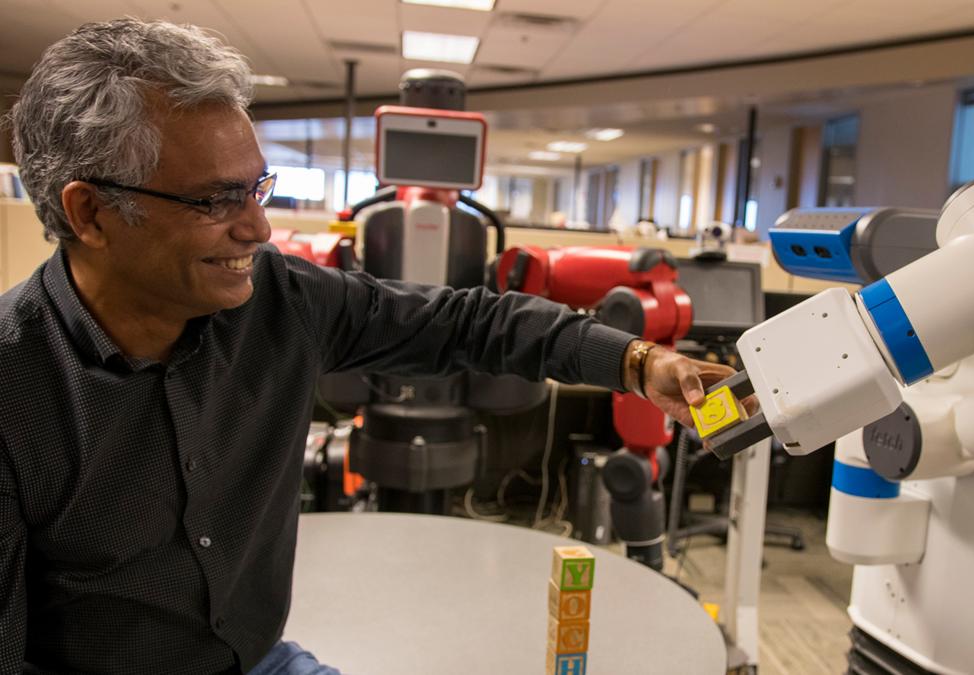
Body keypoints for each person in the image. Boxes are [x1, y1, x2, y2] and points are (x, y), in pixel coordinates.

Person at [1, 18, 747, 675]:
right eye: (213, 200)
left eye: (256, 189)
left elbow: (466, 322)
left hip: (259, 657)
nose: (257, 230)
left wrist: (639, 362)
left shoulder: (282, 301)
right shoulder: (14, 391)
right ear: (91, 212)